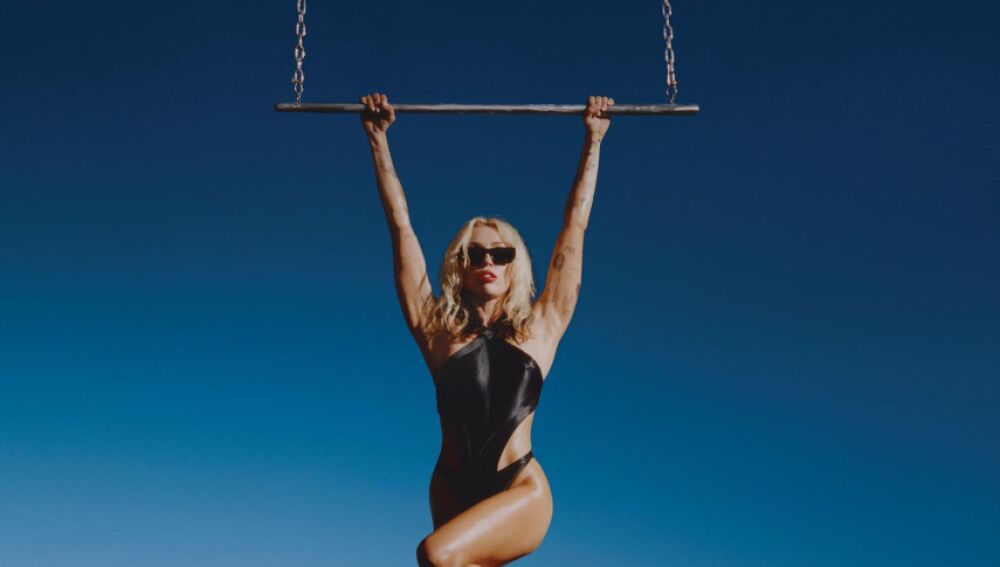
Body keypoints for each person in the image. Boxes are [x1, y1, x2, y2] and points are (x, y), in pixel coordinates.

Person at [360, 91, 613, 566]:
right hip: (451, 486)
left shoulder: (540, 327)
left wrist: (593, 140)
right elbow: (400, 227)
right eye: (475, 253)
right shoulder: (437, 331)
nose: (488, 261)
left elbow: (575, 226)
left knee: (437, 554)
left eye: (501, 253)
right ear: (460, 265)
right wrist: (377, 139)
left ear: (516, 264)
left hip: (520, 486)